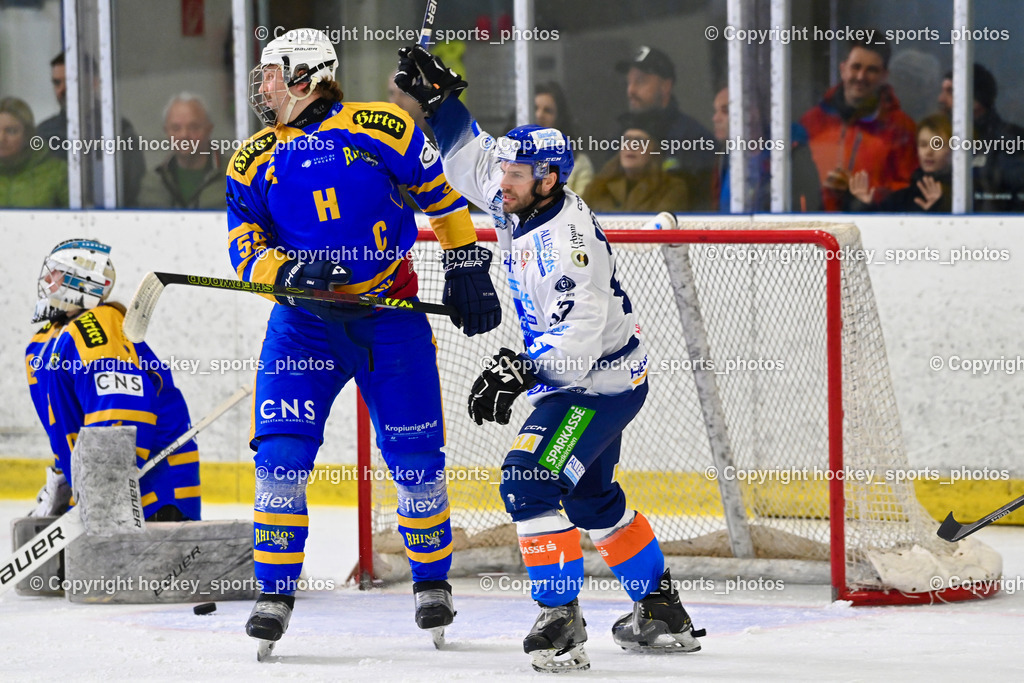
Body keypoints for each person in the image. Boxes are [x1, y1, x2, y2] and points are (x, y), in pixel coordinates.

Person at [396, 44, 705, 673]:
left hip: (596, 384)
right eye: (506, 172)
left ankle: (561, 624)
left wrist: (520, 369)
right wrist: (440, 102)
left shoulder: (569, 248)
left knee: (528, 479)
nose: (500, 183)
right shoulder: (524, 198)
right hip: (599, 377)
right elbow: (470, 162)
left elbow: (576, 347)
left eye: (515, 174)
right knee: (593, 502)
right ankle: (662, 613)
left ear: (549, 178)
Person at [226, 29, 501, 655]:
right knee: (280, 463)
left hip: (389, 316)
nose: (261, 85)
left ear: (304, 78)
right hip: (304, 326)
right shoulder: (250, 158)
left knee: (416, 463)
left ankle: (431, 583)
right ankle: (273, 593)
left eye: (270, 73)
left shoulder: (383, 126)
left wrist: (464, 263)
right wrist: (286, 275)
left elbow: (441, 195)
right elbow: (245, 246)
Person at [25, 239, 201, 521]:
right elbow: (64, 423)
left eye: (57, 272)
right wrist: (64, 478)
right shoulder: (46, 339)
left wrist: (103, 489)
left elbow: (122, 412)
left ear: (82, 281)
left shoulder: (97, 327)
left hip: (149, 494)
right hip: (104, 490)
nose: (47, 279)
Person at [799, 36, 917, 212]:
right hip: (817, 230)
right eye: (856, 67)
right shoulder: (813, 122)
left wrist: (865, 194)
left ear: (885, 76)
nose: (861, 76)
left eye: (871, 70)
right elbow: (791, 180)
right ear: (843, 69)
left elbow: (909, 190)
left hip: (875, 231)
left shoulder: (902, 128)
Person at [34, 53, 146, 206]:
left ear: (93, 82)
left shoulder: (117, 129)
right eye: (57, 83)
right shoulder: (44, 132)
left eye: (70, 81)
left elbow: (133, 185)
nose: (62, 89)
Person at [616, 45, 716, 209]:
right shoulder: (619, 135)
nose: (630, 90)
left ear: (666, 86)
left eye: (640, 81)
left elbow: (702, 208)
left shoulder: (694, 138)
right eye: (629, 82)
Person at [711, 87, 822, 212]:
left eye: (725, 111)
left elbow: (808, 212)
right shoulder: (724, 157)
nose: (715, 118)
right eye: (716, 111)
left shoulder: (790, 155)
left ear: (753, 112)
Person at [938, 63, 1024, 212]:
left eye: (950, 91)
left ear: (975, 101)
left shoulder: (1009, 141)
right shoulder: (942, 137)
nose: (941, 99)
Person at [583, 114, 690, 213]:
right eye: (626, 139)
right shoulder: (597, 187)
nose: (631, 146)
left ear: (654, 150)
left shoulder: (671, 189)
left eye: (639, 141)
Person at [136, 93, 226, 209]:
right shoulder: (153, 183)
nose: (184, 135)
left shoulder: (236, 176)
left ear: (209, 130)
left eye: (193, 127)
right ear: (166, 132)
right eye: (176, 128)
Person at [848, 113, 951, 212]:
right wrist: (864, 205)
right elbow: (881, 226)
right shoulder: (903, 196)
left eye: (937, 145)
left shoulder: (961, 197)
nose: (929, 152)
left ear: (951, 150)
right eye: (923, 145)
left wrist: (939, 209)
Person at [0, 97, 68, 208]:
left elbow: (77, 219)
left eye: (11, 131)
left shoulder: (56, 172)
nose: (1, 138)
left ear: (27, 135)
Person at [534, 82, 593, 195]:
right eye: (534, 108)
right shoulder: (510, 160)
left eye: (547, 111)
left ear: (559, 119)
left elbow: (580, 209)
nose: (539, 115)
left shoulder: (579, 164)